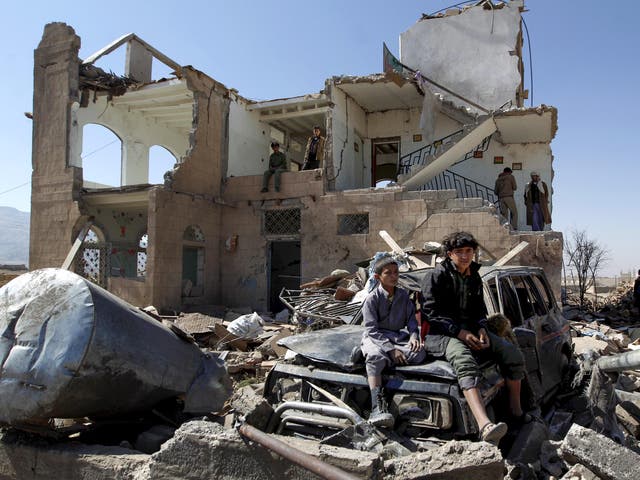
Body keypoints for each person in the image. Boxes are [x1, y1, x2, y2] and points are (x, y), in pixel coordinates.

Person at [421, 231, 528, 445]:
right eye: (459, 252)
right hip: (441, 334)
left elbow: (479, 310)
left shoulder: (474, 276)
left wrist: (480, 328)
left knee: (512, 353)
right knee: (464, 362)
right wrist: (459, 332)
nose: (464, 256)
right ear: (449, 254)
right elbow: (430, 313)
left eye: (468, 251)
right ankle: (484, 425)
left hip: (469, 331)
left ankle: (516, 412)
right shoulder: (436, 276)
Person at [361, 255, 426, 427]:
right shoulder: (371, 299)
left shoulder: (404, 296)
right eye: (388, 273)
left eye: (396, 272)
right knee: (375, 356)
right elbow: (371, 330)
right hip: (375, 338)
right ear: (378, 277)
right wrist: (391, 350)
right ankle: (377, 406)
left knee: (419, 353)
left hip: (396, 336)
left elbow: (412, 321)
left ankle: (383, 362)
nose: (393, 276)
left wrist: (414, 336)